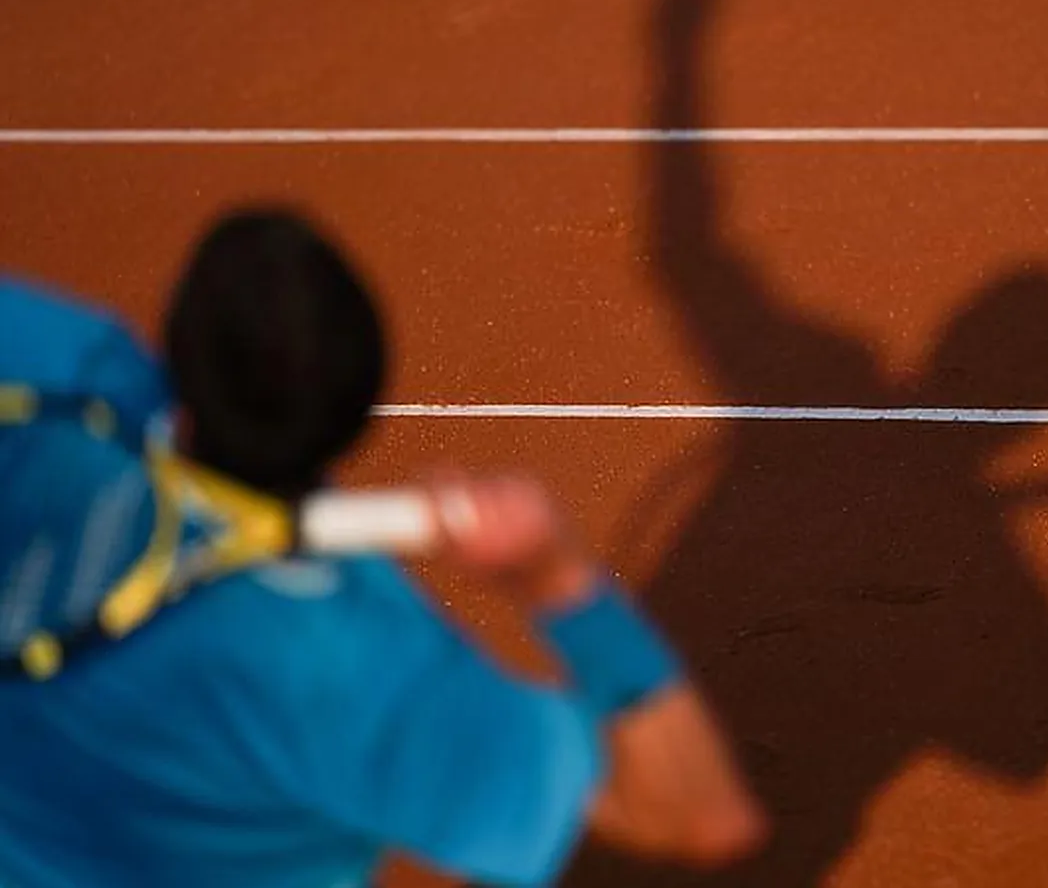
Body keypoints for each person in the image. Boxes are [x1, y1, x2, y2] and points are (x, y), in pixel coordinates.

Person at [0, 207, 766, 887]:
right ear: (363, 404)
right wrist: (560, 581)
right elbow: (702, 817)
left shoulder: (67, 381)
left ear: (171, 344)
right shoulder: (361, 667)